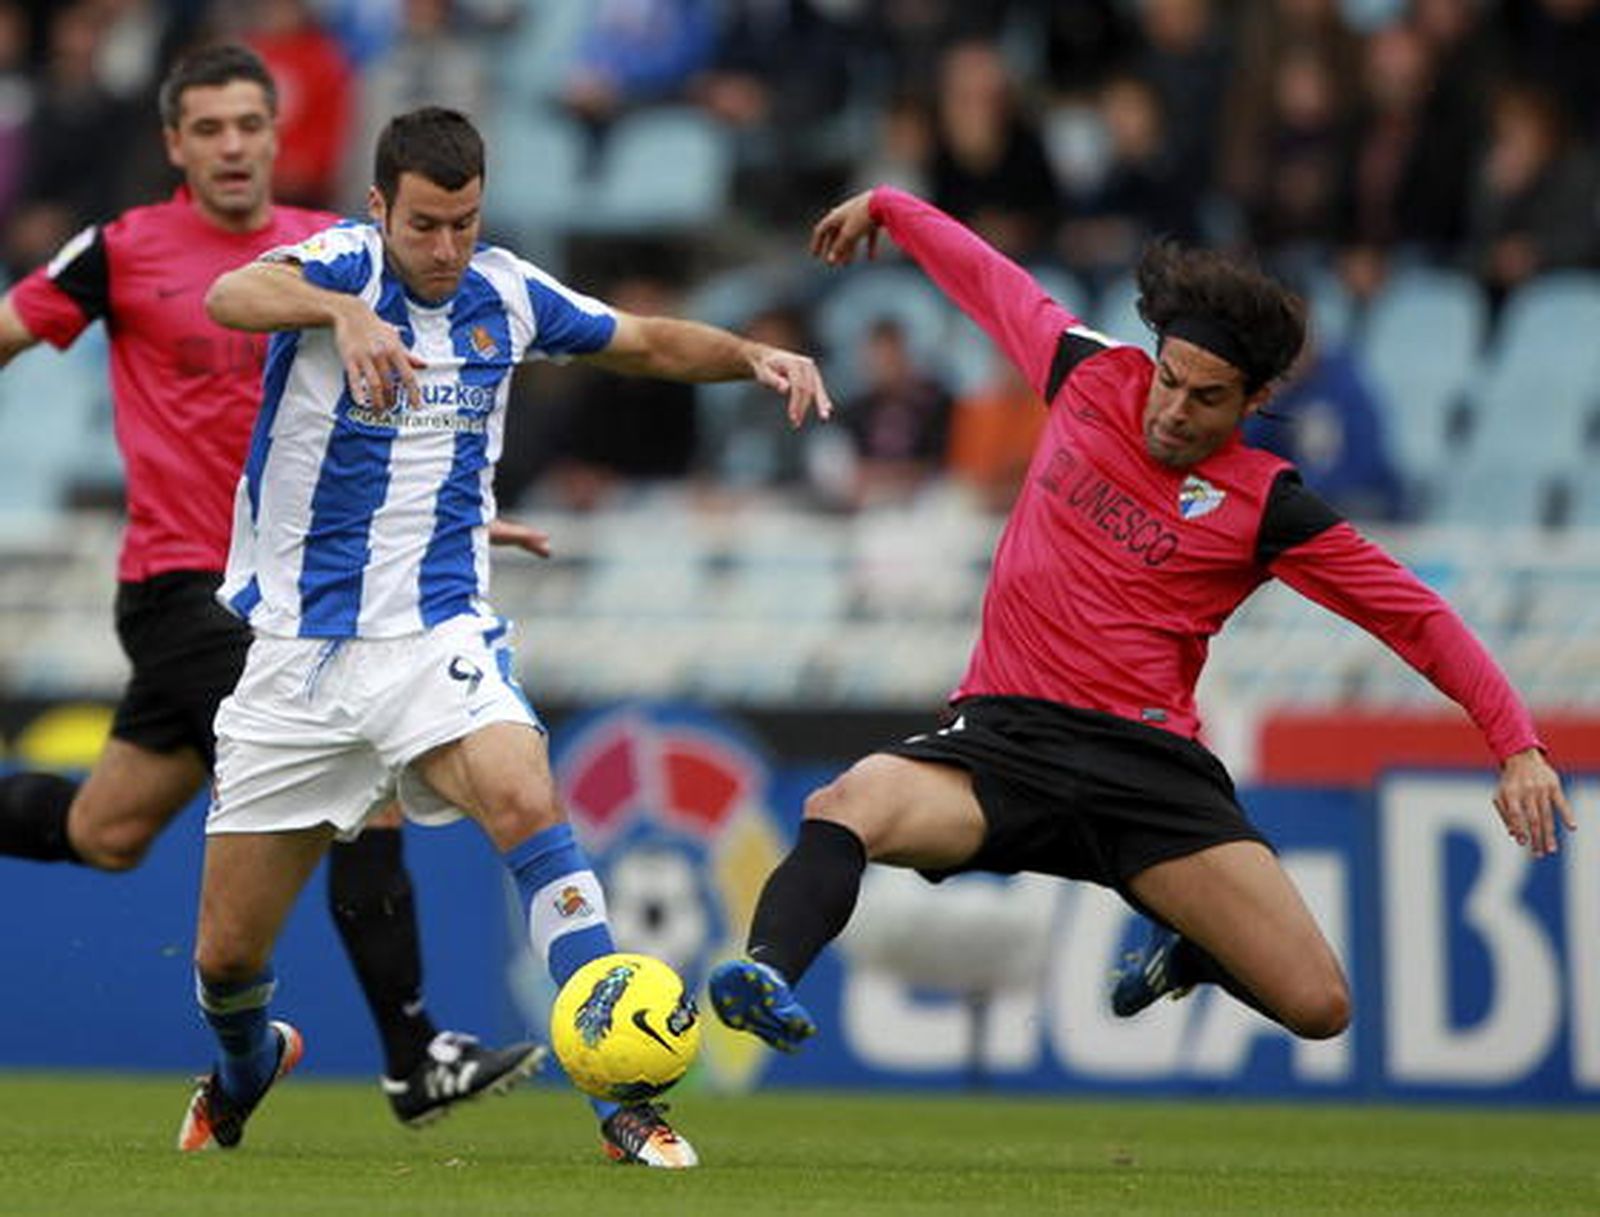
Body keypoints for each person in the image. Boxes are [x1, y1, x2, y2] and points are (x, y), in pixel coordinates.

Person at [706, 185, 1573, 1058]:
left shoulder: (1270, 504)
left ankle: (1194, 947)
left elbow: (1412, 615)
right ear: (1152, 354)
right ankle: (769, 970)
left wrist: (1517, 744)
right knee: (847, 802)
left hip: (1146, 774)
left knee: (1320, 1005)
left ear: (1254, 400)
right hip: (1005, 742)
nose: (1172, 409)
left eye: (1207, 397)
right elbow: (988, 280)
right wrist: (891, 206)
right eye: (1169, 377)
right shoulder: (1086, 374)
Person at [179, 105, 830, 1166]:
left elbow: (647, 339)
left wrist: (750, 351)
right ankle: (248, 1059)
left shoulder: (507, 292)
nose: (445, 250)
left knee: (527, 798)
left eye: (465, 224)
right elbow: (227, 291)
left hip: (437, 632)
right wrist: (339, 316)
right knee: (225, 956)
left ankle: (622, 1096)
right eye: (426, 225)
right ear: (380, 206)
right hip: (296, 656)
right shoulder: (336, 267)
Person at [0, 43, 541, 1128]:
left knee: (109, 829)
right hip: (185, 582)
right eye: (209, 128)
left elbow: (399, 423)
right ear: (174, 146)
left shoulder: (338, 247)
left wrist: (458, 512)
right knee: (368, 770)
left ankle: (265, 1057)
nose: (234, 146)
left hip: (306, 586)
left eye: (251, 123)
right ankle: (413, 1055)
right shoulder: (122, 252)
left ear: (275, 132)